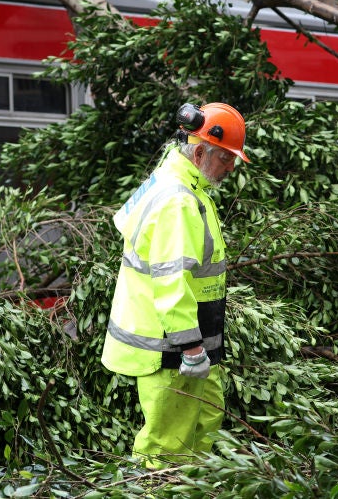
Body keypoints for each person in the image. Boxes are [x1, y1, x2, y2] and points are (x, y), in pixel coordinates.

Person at [101, 101, 250, 468]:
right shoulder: (178, 200)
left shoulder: (178, 182)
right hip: (172, 349)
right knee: (167, 451)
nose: (230, 168)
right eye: (225, 159)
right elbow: (170, 281)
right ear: (199, 151)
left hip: (191, 344)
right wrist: (191, 349)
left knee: (203, 425)